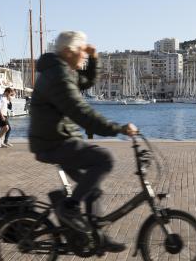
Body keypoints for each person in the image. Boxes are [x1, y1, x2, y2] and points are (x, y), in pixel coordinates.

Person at [29, 30, 137, 253]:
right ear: (68, 52)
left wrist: (94, 58)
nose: (84, 56)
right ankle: (69, 208)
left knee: (92, 190)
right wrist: (118, 128)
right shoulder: (57, 76)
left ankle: (96, 236)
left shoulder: (62, 71)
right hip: (54, 142)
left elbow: (86, 81)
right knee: (104, 159)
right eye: (81, 51)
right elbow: (82, 113)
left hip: (58, 139)